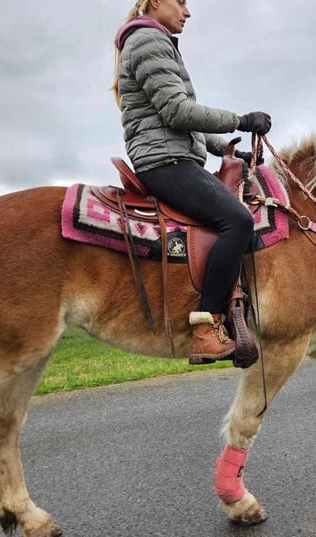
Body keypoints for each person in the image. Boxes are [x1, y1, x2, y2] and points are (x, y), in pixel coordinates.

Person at [112, 0, 272, 365]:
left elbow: (182, 124)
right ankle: (206, 326)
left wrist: (228, 152)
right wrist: (240, 120)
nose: (187, 11)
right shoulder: (148, 41)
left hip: (174, 155)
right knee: (238, 220)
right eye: (181, 1)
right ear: (154, 2)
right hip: (165, 163)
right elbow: (178, 111)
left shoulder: (152, 41)